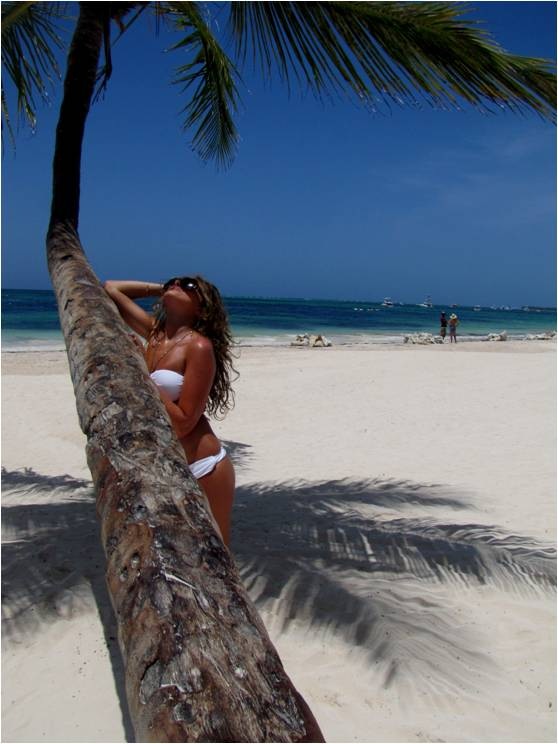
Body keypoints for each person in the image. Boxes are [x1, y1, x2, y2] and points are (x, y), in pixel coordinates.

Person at [104, 276, 236, 545]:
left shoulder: (199, 346)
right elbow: (110, 289)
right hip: (166, 465)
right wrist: (162, 289)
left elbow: (184, 423)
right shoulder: (155, 334)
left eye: (188, 285)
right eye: (172, 282)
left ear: (202, 307)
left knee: (218, 548)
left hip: (204, 466)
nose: (177, 285)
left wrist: (141, 374)